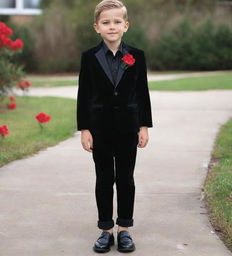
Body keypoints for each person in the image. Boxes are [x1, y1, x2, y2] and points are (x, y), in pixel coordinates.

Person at [76, 0, 153, 253]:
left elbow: (142, 92)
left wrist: (144, 125)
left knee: (126, 179)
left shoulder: (136, 56)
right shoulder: (89, 57)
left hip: (128, 127)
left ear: (126, 25)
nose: (112, 26)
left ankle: (125, 230)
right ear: (97, 27)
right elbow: (83, 94)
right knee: (104, 179)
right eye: (106, 22)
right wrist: (85, 128)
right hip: (100, 129)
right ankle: (105, 230)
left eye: (117, 22)